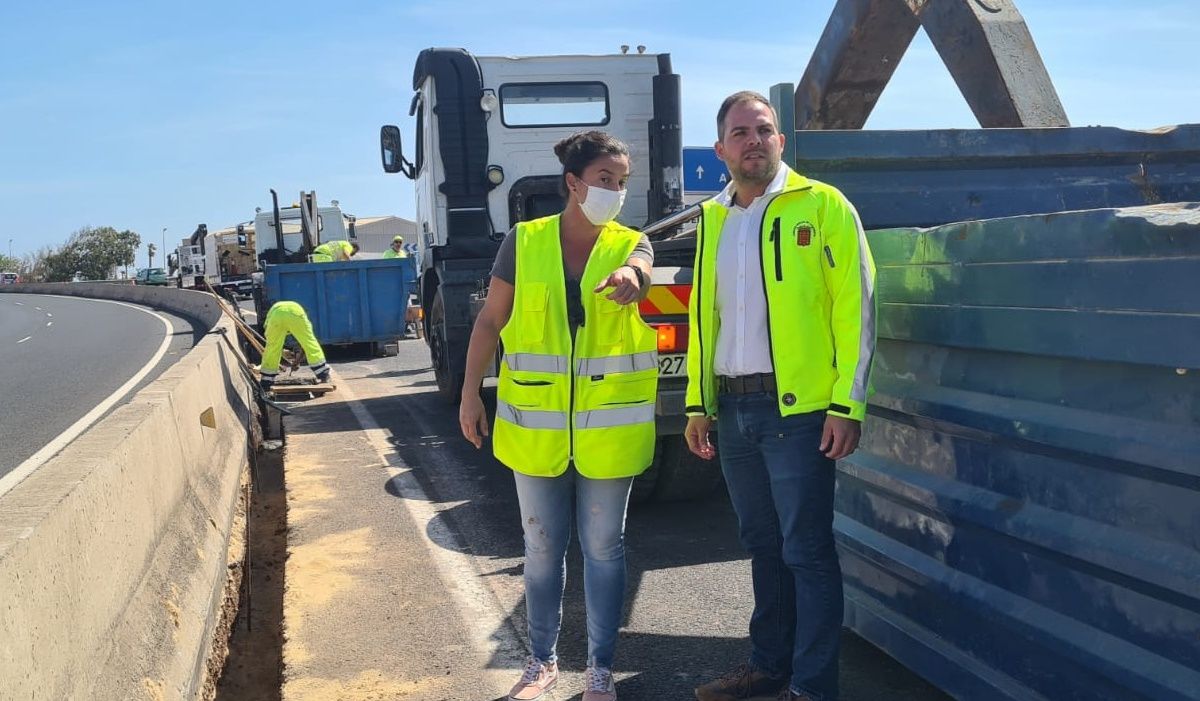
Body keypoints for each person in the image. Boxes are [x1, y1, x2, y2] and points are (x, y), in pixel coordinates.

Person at [688, 92, 876, 701]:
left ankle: (814, 687)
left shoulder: (822, 206)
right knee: (762, 546)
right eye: (740, 133)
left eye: (764, 130)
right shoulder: (714, 219)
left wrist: (847, 405)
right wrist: (698, 404)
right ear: (721, 150)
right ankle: (769, 667)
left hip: (798, 414)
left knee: (808, 551)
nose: (753, 141)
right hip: (734, 409)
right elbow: (702, 317)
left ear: (781, 141)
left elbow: (857, 308)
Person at [459, 130, 656, 701]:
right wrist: (472, 393)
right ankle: (541, 662)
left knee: (604, 549)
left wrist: (632, 279)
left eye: (621, 183)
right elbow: (490, 322)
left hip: (609, 431)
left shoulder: (630, 242)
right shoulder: (524, 242)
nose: (615, 192)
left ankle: (600, 669)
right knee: (542, 550)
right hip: (536, 428)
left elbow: (641, 269)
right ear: (573, 183)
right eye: (604, 181)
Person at [258, 301, 331, 391]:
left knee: (272, 347)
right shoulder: (301, 315)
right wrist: (297, 361)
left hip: (276, 316)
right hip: (295, 313)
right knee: (309, 343)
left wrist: (296, 361)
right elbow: (304, 346)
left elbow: (270, 337)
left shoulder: (269, 318)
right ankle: (323, 373)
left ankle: (266, 380)